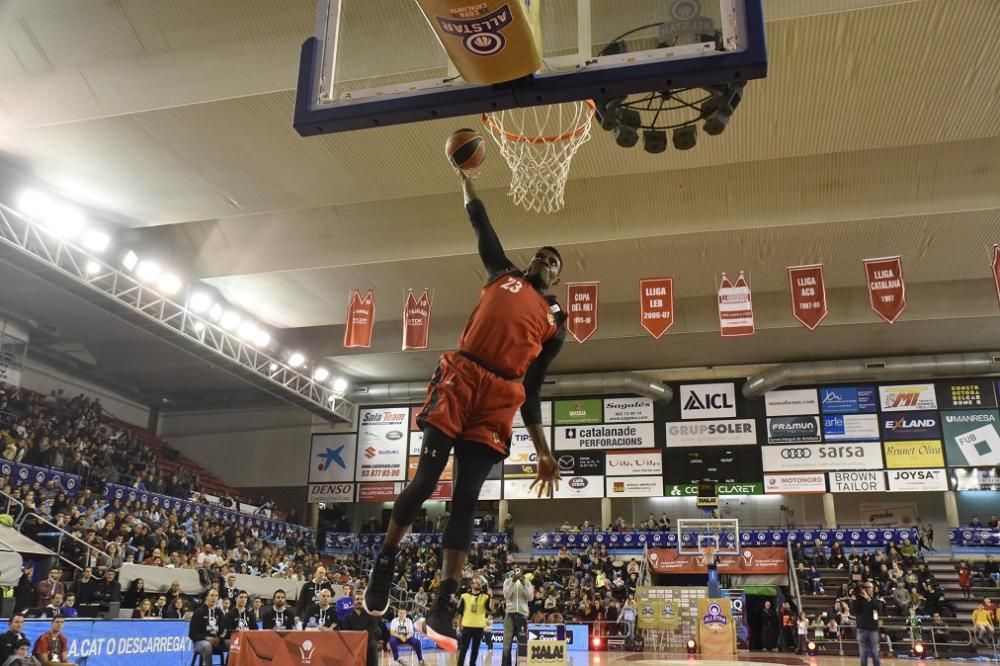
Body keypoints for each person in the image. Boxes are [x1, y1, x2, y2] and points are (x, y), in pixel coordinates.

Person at [364, 171, 565, 653]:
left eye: (553, 261)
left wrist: (543, 450)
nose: (544, 260)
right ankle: (386, 561)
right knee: (426, 482)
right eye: (541, 254)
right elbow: (480, 220)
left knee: (468, 501)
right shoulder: (504, 274)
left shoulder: (554, 325)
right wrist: (465, 176)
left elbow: (532, 391)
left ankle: (445, 600)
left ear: (559, 277)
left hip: (501, 397)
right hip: (462, 376)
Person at [502, 568, 533, 666]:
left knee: (521, 645)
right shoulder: (507, 581)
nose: (517, 573)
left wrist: (523, 583)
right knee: (506, 644)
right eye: (515, 572)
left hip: (522, 615)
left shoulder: (527, 582)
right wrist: (513, 581)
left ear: (522, 573)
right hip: (510, 614)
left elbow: (530, 597)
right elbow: (506, 595)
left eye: (519, 572)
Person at [189, 588, 228, 664]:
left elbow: (224, 630)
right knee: (207, 645)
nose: (214, 598)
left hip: (216, 641)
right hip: (200, 642)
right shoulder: (199, 612)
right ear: (207, 597)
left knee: (234, 644)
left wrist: (219, 639)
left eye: (216, 596)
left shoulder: (219, 612)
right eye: (212, 595)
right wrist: (206, 638)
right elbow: (192, 634)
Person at [458, 577, 491, 666]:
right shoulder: (464, 596)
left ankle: (472, 664)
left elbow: (490, 609)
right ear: (472, 584)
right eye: (476, 582)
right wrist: (458, 625)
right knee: (463, 648)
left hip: (479, 627)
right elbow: (460, 612)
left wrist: (490, 595)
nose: (478, 583)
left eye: (480, 582)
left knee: (475, 649)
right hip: (467, 626)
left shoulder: (485, 597)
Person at [341, 592, 380, 666]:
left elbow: (373, 627)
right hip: (353, 642)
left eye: (361, 599)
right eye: (357, 599)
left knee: (373, 645)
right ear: (353, 601)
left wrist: (363, 634)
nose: (359, 601)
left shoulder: (371, 614)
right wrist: (357, 637)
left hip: (368, 641)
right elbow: (346, 631)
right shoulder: (347, 617)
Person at [852, 582, 883, 666]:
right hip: (861, 629)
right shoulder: (859, 600)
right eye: (867, 587)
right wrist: (855, 599)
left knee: (875, 652)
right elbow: (856, 610)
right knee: (863, 653)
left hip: (873, 630)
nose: (870, 589)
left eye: (871, 587)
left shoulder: (876, 599)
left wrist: (868, 598)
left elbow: (878, 608)